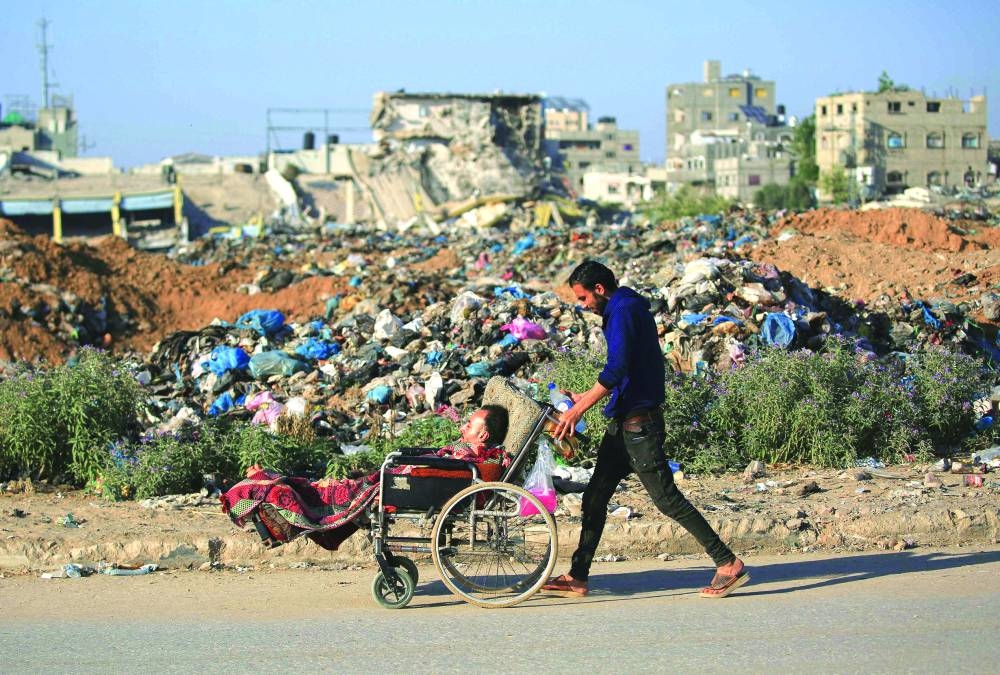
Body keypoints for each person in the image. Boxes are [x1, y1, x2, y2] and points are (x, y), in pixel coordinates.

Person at [542, 260, 749, 599]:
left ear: (599, 289)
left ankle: (727, 563)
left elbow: (617, 366)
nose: (582, 306)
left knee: (666, 499)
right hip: (623, 422)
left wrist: (578, 408)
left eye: (582, 299)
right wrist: (582, 396)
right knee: (594, 497)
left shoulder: (623, 310)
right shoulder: (625, 306)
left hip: (639, 425)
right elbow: (626, 371)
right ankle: (578, 576)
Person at [221, 405, 509, 550]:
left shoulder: (469, 459)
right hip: (404, 480)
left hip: (410, 485)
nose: (463, 428)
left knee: (332, 491)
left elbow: (434, 470)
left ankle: (272, 494)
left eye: (469, 425)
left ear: (482, 435)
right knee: (331, 487)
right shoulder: (469, 454)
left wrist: (405, 467)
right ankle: (275, 492)